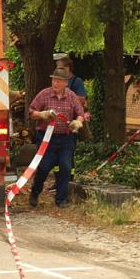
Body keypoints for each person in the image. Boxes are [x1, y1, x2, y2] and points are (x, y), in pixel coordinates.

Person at [27, 68, 85, 208]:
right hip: (47, 139)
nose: (55, 83)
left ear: (66, 82)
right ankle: (35, 192)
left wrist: (78, 122)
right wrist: (41, 115)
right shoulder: (44, 94)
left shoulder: (71, 96)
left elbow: (80, 113)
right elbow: (31, 111)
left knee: (66, 167)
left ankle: (61, 200)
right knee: (44, 167)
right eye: (54, 80)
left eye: (59, 80)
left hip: (66, 139)